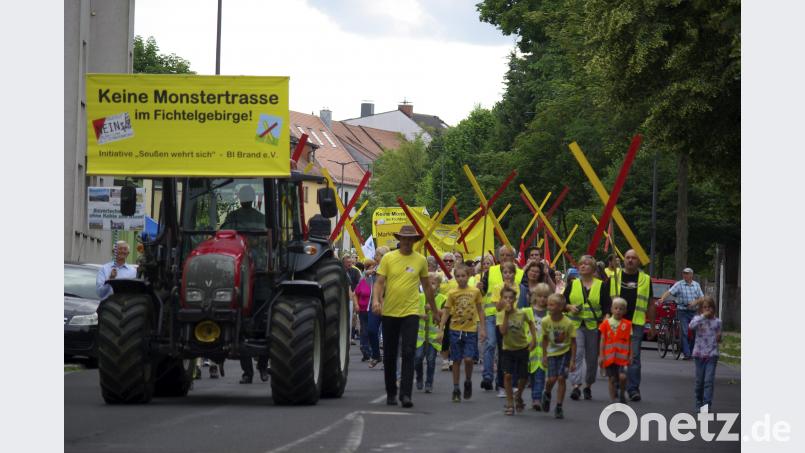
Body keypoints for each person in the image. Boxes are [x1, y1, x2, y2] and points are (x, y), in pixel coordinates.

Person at [372, 226, 439, 408]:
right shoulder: (388, 258)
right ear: (399, 239)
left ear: (415, 241)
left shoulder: (420, 260)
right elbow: (378, 283)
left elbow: (427, 287)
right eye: (404, 239)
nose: (407, 242)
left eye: (411, 239)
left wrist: (435, 310)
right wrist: (376, 301)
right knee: (390, 354)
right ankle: (391, 393)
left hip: (411, 312)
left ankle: (406, 395)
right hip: (390, 312)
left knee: (409, 352)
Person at [609, 249, 655, 402]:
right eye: (627, 257)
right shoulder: (614, 277)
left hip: (636, 323)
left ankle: (633, 389)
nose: (630, 260)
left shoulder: (646, 279)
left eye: (633, 258)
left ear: (639, 261)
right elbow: (606, 300)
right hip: (616, 323)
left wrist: (653, 325)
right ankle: (615, 385)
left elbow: (650, 303)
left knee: (634, 357)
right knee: (616, 356)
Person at [565, 254, 611, 401]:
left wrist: (606, 321)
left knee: (591, 358)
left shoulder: (601, 285)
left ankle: (588, 385)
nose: (583, 266)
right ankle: (576, 386)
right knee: (576, 355)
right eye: (581, 264)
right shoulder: (572, 284)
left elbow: (606, 308)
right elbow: (562, 303)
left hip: (594, 327)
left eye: (586, 264)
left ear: (593, 268)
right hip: (576, 325)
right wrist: (569, 306)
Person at [479, 245, 524, 393]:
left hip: (513, 317)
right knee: (491, 344)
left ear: (514, 258)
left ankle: (508, 380)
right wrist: (480, 287)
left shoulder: (520, 273)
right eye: (502, 255)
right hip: (493, 314)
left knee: (507, 350)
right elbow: (483, 289)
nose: (505, 258)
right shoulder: (490, 271)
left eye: (508, 255)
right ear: (498, 257)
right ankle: (487, 377)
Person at [438, 265, 486, 402]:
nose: (460, 279)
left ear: (469, 276)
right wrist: (441, 329)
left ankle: (468, 380)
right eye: (458, 276)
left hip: (470, 330)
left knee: (469, 359)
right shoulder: (452, 293)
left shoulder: (475, 291)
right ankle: (456, 387)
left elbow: (480, 310)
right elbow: (446, 311)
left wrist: (482, 328)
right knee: (456, 360)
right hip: (455, 329)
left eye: (463, 276)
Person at [499, 286, 537, 415]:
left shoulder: (522, 313)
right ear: (502, 299)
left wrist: (533, 339)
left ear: (515, 299)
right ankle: (510, 402)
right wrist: (506, 315)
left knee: (523, 377)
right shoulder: (501, 314)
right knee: (508, 375)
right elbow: (503, 331)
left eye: (511, 298)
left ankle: (518, 395)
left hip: (522, 348)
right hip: (508, 349)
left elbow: (531, 324)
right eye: (505, 298)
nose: (508, 300)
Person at [540, 293, 577, 419]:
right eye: (548, 304)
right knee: (551, 379)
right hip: (551, 353)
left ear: (561, 307)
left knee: (561, 378)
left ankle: (559, 406)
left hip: (565, 353)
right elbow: (544, 339)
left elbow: (573, 342)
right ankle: (547, 392)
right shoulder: (545, 321)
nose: (549, 307)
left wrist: (572, 360)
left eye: (552, 304)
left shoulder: (568, 323)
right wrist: (544, 355)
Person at [658, 267, 704, 360]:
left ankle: (690, 351)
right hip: (682, 310)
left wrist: (695, 302)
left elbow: (702, 298)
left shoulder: (696, 285)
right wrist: (662, 298)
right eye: (684, 273)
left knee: (696, 332)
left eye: (687, 273)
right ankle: (687, 354)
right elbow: (669, 292)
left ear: (691, 275)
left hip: (693, 311)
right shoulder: (679, 284)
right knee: (684, 332)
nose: (685, 275)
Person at [491, 261, 522, 397]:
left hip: (515, 323)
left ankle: (514, 384)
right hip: (501, 322)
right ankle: (501, 385)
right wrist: (505, 296)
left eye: (510, 272)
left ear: (514, 274)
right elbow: (497, 307)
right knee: (503, 354)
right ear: (502, 274)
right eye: (505, 272)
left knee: (515, 353)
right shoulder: (498, 287)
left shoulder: (519, 287)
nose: (508, 275)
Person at [597, 297, 632, 403]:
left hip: (622, 358)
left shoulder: (628, 324)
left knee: (622, 377)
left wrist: (631, 356)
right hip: (609, 358)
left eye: (621, 309)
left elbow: (630, 342)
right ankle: (613, 400)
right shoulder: (606, 324)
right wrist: (601, 356)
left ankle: (621, 392)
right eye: (616, 308)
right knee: (611, 379)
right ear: (611, 309)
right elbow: (602, 340)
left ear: (625, 311)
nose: (618, 310)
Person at [689, 296, 721, 411]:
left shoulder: (717, 322)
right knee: (699, 382)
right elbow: (691, 326)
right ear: (701, 309)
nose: (707, 310)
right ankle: (699, 401)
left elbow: (718, 336)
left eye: (709, 307)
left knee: (708, 381)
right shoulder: (698, 319)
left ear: (713, 309)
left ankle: (706, 405)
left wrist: (719, 337)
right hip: (699, 354)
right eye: (705, 307)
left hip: (712, 355)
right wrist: (703, 316)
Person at [415, 272, 445, 393]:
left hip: (433, 336)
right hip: (420, 335)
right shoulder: (420, 297)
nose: (430, 286)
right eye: (428, 283)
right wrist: (422, 315)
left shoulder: (442, 298)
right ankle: (419, 376)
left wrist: (433, 310)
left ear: (438, 285)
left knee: (431, 360)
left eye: (433, 283)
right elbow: (413, 312)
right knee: (417, 358)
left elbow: (445, 313)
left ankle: (429, 382)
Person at [528, 283, 551, 410]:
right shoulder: (528, 311)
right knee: (530, 376)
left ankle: (536, 399)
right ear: (535, 296)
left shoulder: (550, 313)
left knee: (540, 375)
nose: (543, 299)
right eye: (540, 296)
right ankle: (532, 396)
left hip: (543, 351)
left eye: (546, 297)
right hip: (529, 349)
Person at [366, 246, 389, 368]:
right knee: (371, 330)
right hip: (374, 304)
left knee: (387, 333)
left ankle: (387, 358)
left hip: (387, 304)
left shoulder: (389, 268)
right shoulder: (374, 268)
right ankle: (376, 355)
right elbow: (366, 275)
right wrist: (369, 272)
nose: (375, 257)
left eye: (377, 255)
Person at [355, 259, 376, 362]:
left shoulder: (376, 280)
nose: (373, 269)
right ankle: (365, 351)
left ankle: (372, 351)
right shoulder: (362, 280)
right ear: (367, 268)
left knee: (371, 330)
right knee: (364, 330)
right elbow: (356, 293)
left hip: (373, 309)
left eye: (374, 267)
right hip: (363, 309)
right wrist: (356, 305)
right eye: (372, 267)